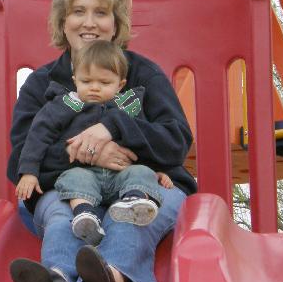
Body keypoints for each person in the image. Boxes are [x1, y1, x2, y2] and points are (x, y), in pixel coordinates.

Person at [8, 0, 197, 282]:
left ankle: (108, 281)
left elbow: (176, 140)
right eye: (78, 12)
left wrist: (114, 127)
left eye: (101, 12)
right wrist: (85, 152)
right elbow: (20, 156)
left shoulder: (142, 74)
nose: (89, 23)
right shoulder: (43, 84)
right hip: (70, 190)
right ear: (63, 22)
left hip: (144, 184)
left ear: (116, 22)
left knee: (132, 215)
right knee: (62, 217)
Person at [15, 40, 174, 246]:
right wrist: (29, 171)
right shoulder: (66, 104)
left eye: (104, 83)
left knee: (141, 173)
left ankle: (133, 201)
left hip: (121, 176)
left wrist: (156, 171)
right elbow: (38, 135)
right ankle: (84, 214)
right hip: (84, 172)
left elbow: (143, 144)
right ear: (75, 81)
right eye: (86, 81)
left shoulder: (127, 108)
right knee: (73, 178)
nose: (94, 88)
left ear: (120, 84)